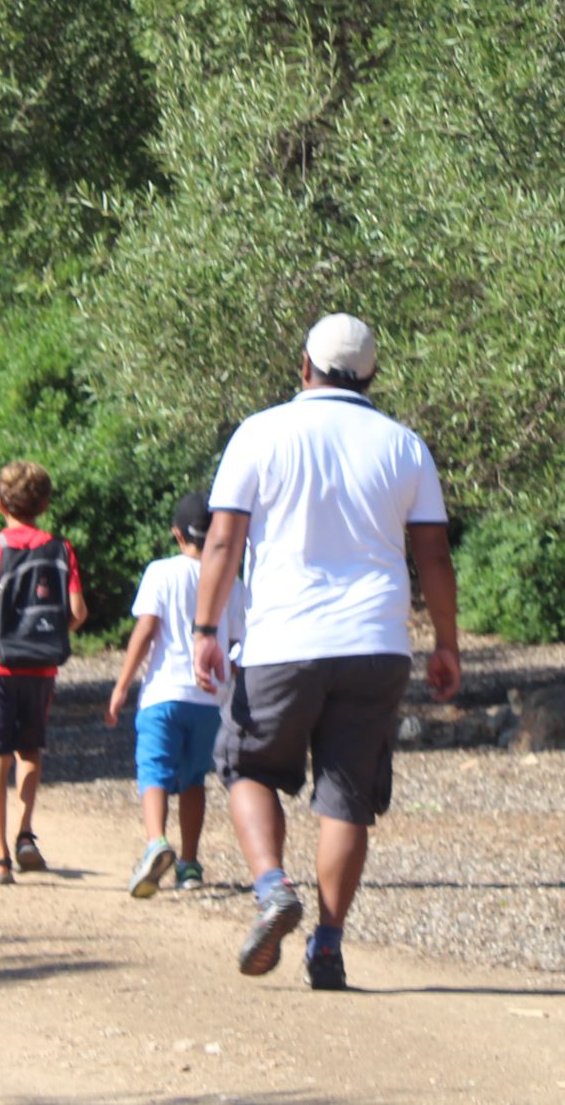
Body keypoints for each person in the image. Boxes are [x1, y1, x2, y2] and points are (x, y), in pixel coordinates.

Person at [195, 313, 459, 990]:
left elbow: (223, 540)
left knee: (247, 765)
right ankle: (330, 945)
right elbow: (432, 551)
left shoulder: (261, 432)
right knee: (347, 796)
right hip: (377, 642)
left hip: (284, 637)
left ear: (304, 365)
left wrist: (205, 628)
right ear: (372, 373)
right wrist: (446, 643)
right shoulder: (404, 445)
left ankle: (273, 886)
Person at [0, 460, 87, 885]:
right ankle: (25, 835)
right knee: (30, 751)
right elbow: (78, 612)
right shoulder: (60, 548)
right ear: (44, 504)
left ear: (0, 504)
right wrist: (43, 635)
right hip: (42, 668)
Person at [106, 490, 244, 897]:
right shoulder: (232, 580)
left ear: (177, 534)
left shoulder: (161, 572)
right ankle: (189, 864)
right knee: (193, 780)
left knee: (154, 771)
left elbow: (146, 631)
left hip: (163, 694)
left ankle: (155, 843)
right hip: (210, 700)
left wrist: (121, 686)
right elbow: (236, 646)